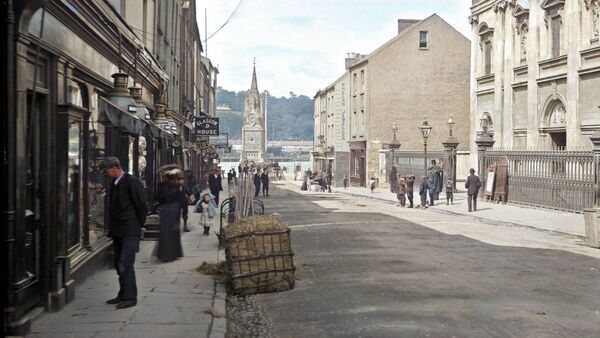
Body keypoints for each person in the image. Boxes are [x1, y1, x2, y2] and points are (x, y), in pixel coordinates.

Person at [98, 156, 148, 310]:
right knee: (118, 263)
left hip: (130, 230)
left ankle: (130, 297)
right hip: (119, 230)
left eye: (106, 171)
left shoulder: (132, 182)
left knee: (125, 263)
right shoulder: (115, 182)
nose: (105, 174)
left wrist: (138, 226)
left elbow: (142, 205)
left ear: (114, 168)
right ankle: (123, 293)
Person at [156, 171, 185, 262]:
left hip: (165, 209)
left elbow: (158, 198)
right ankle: (174, 253)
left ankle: (165, 254)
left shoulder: (161, 185)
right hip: (174, 209)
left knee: (165, 232)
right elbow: (181, 200)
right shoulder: (176, 186)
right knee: (173, 232)